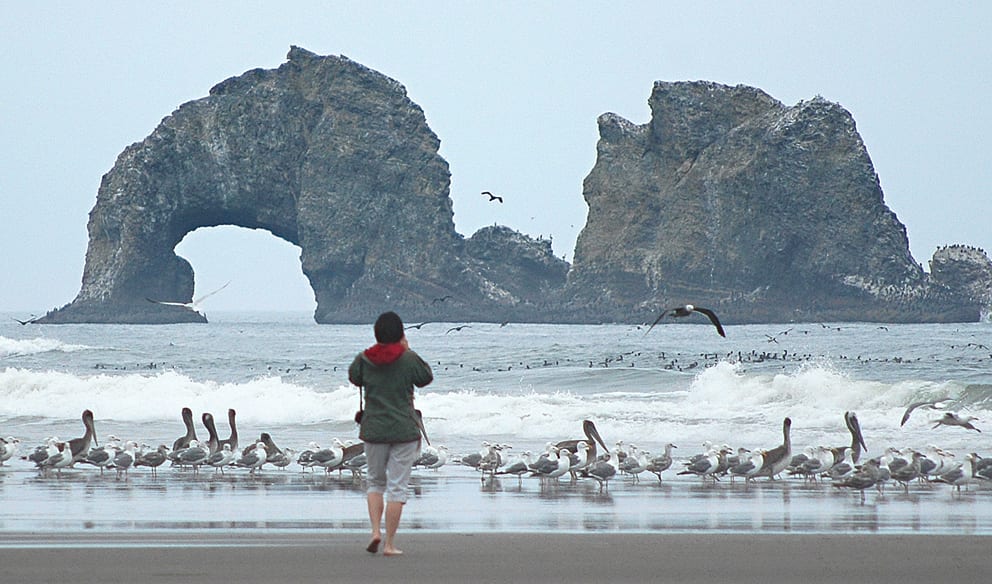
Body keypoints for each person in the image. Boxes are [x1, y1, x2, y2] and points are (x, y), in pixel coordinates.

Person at [349, 311, 433, 556]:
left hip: (374, 429)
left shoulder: (364, 359)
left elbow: (354, 378)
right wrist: (408, 349)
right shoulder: (408, 359)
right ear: (400, 334)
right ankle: (389, 544)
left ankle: (375, 531)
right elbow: (426, 378)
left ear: (377, 333)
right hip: (404, 430)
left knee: (375, 482)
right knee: (397, 487)